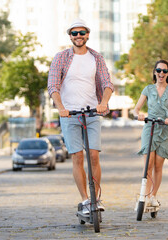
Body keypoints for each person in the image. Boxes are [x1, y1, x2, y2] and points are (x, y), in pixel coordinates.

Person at [47, 19, 114, 214]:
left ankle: (96, 199)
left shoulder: (96, 57)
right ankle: (85, 200)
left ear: (87, 35)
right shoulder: (61, 57)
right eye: (74, 33)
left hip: (92, 112)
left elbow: (107, 83)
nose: (78, 36)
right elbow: (53, 85)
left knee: (93, 156)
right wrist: (61, 107)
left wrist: (103, 103)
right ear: (70, 36)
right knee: (77, 157)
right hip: (69, 114)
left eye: (82, 32)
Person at [133, 59, 168, 208]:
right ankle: (145, 196)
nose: (161, 73)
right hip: (150, 128)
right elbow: (135, 109)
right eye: (159, 70)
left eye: (165, 71)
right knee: (148, 165)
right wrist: (139, 114)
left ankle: (153, 196)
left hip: (165, 129)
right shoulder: (148, 89)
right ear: (155, 72)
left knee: (158, 166)